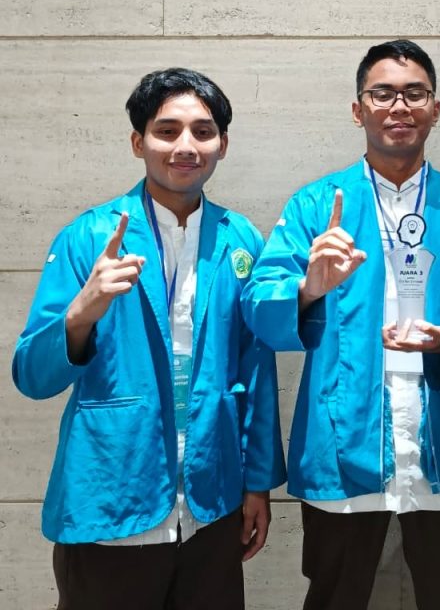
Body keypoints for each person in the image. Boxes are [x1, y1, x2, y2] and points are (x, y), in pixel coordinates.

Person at [13, 67, 286, 610]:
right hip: (112, 497)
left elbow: (257, 370)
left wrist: (257, 483)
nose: (186, 146)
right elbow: (32, 376)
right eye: (167, 131)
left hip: (211, 503)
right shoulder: (90, 236)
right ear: (138, 142)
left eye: (203, 132)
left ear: (223, 144)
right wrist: (80, 314)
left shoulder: (240, 240)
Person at [242, 39, 440, 610]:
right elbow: (258, 304)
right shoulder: (317, 206)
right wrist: (308, 288)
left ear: (436, 108)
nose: (399, 106)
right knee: (333, 596)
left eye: (414, 93)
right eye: (382, 94)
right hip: (341, 440)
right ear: (358, 109)